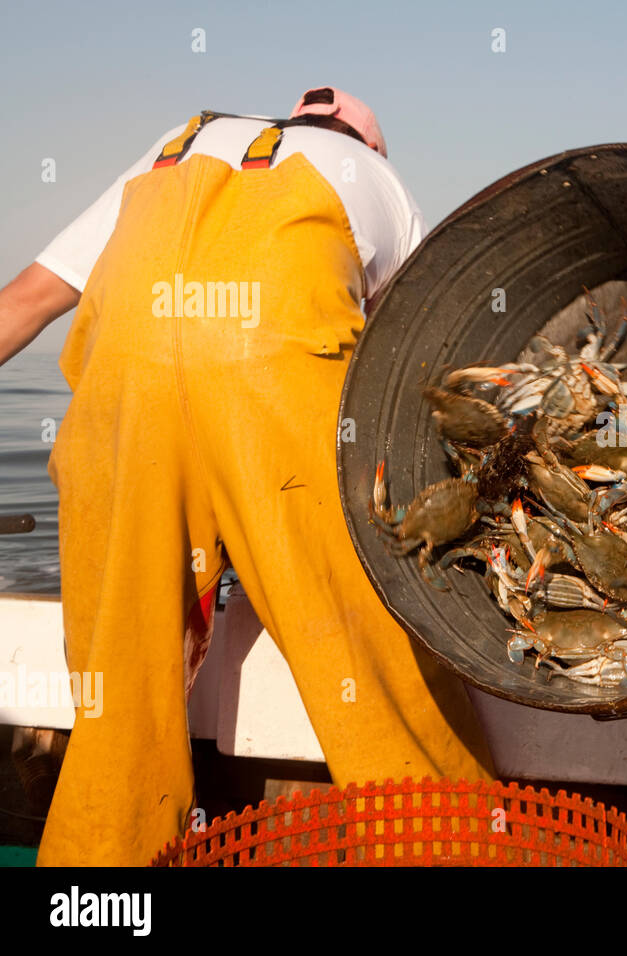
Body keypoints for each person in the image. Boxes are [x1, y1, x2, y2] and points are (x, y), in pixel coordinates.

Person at [0, 87, 495, 865]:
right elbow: (420, 363)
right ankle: (451, 850)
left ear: (289, 120)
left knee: (120, 682)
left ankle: (100, 886)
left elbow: (24, 303)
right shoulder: (374, 179)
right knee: (373, 648)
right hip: (275, 386)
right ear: (369, 145)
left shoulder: (174, 145)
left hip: (126, 393)